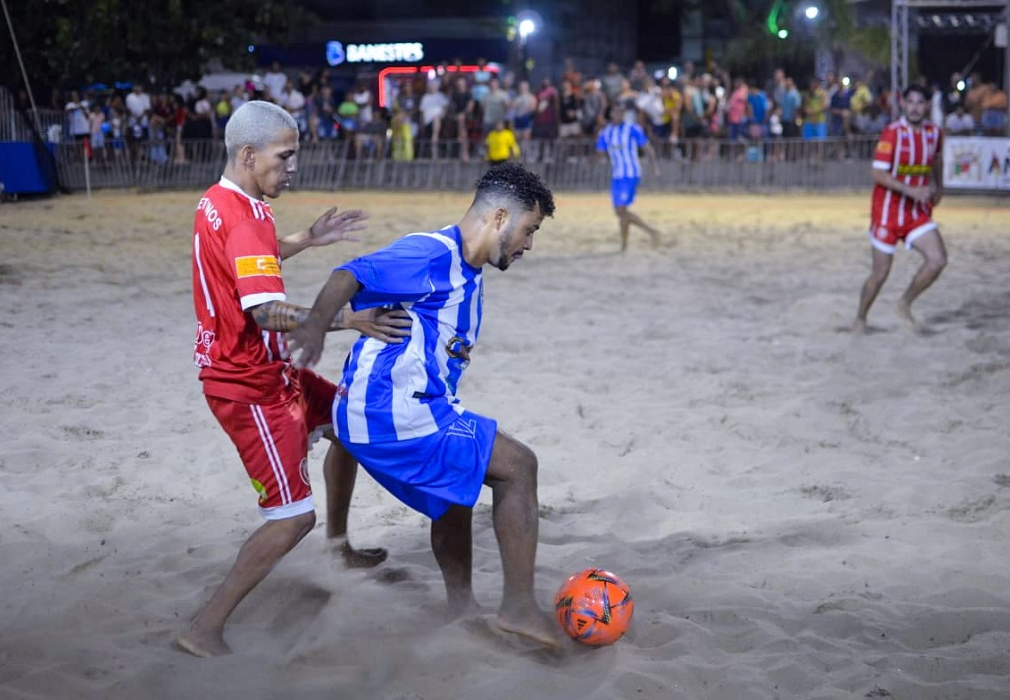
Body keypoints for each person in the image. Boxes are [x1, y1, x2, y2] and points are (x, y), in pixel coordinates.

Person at [288, 163, 565, 649]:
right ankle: (519, 607)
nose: (529, 244)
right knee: (519, 467)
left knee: (456, 487)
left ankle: (456, 605)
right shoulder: (432, 253)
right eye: (530, 229)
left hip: (374, 407)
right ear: (500, 217)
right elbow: (347, 274)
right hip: (392, 412)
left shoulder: (464, 266)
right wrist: (315, 326)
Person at [177, 101, 412, 658]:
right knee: (291, 518)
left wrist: (307, 237)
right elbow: (265, 312)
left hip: (270, 370)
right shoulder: (245, 217)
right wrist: (347, 319)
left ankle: (339, 548)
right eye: (285, 157)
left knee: (349, 423)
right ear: (249, 154)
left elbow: (251, 255)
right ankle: (203, 629)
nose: (293, 168)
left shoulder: (222, 202)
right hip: (249, 386)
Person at [854, 85, 947, 334]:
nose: (915, 107)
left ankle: (904, 303)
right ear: (903, 104)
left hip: (916, 213)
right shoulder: (892, 133)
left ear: (927, 105)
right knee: (880, 273)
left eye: (920, 102)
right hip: (887, 214)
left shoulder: (934, 133)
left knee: (937, 260)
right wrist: (910, 190)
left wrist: (939, 186)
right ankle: (861, 318)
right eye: (910, 102)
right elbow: (877, 173)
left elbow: (937, 159)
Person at [596, 105, 662, 252]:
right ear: (611, 113)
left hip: (630, 174)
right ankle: (624, 244)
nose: (618, 114)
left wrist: (655, 167)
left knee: (621, 210)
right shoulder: (606, 132)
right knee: (621, 212)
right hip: (617, 176)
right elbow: (600, 151)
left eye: (621, 112)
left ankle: (651, 232)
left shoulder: (633, 129)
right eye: (616, 112)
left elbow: (647, 148)